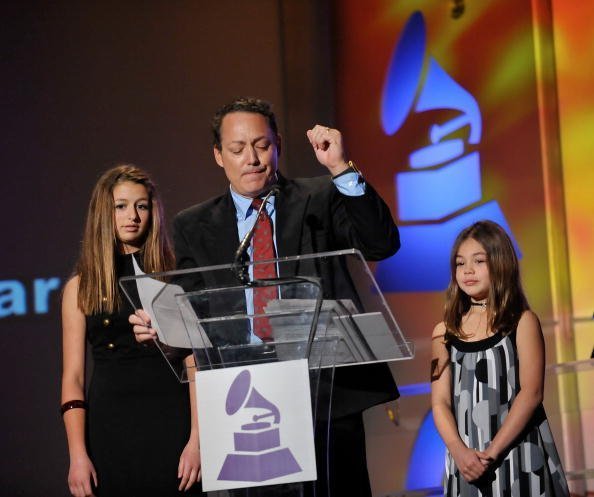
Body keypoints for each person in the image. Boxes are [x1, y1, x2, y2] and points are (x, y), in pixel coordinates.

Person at [131, 97, 401, 496]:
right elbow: (192, 313)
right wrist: (161, 328)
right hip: (242, 397)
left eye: (262, 145)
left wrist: (340, 168)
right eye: (238, 150)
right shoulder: (194, 225)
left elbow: (380, 244)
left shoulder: (319, 198)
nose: (252, 158)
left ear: (278, 146)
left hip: (322, 391)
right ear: (219, 157)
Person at [60, 165, 201, 497]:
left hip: (172, 420)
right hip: (110, 426)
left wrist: (197, 439)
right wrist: (77, 455)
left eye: (142, 205)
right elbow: (73, 378)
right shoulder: (80, 288)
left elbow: (194, 363)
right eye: (121, 206)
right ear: (103, 213)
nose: (133, 215)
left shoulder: (172, 278)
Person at [430, 220, 569, 496]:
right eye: (460, 263)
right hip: (466, 462)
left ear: (500, 263)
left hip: (517, 455)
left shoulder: (522, 321)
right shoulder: (443, 331)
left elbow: (531, 393)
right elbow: (440, 401)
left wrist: (491, 453)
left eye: (478, 261)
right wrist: (460, 453)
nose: (467, 270)